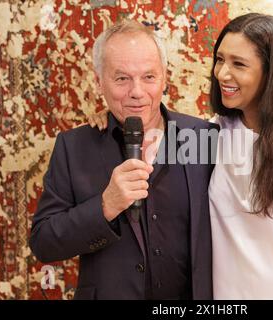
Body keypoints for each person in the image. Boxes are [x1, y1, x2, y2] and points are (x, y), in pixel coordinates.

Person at [88, 13, 273, 300]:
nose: (222, 73)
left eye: (239, 64)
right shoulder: (212, 136)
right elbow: (153, 145)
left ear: (272, 73)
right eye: (220, 60)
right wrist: (112, 120)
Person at [29, 20, 218, 300]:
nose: (137, 92)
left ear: (165, 77)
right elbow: (44, 242)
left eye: (149, 77)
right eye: (121, 78)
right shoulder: (74, 146)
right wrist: (106, 206)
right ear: (98, 81)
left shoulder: (204, 136)